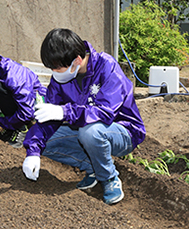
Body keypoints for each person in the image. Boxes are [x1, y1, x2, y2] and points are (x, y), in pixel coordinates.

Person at [21, 28, 145, 205]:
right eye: (52, 69)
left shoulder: (107, 67)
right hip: (85, 129)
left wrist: (64, 111)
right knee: (44, 142)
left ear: (77, 60)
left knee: (90, 132)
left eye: (57, 68)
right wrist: (33, 151)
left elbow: (105, 112)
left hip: (124, 131)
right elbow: (47, 118)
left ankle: (109, 178)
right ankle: (92, 167)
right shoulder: (61, 79)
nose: (54, 73)